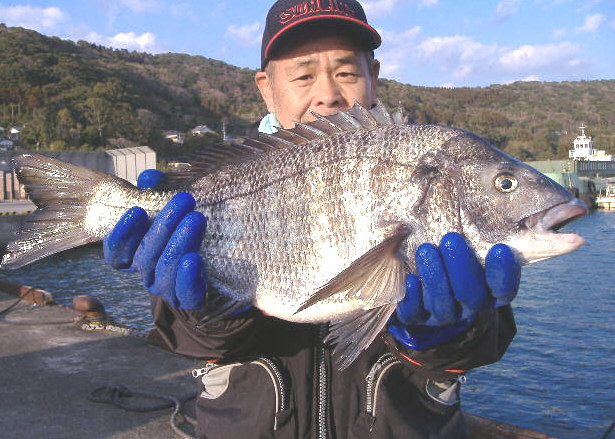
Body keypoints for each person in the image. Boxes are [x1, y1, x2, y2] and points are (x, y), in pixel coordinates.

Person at [104, 1, 520, 438]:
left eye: (347, 72)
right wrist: (204, 312)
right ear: (267, 89)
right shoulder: (230, 179)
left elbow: (484, 345)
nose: (328, 94)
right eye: (303, 76)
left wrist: (452, 331)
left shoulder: (428, 171)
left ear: (374, 77)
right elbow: (192, 343)